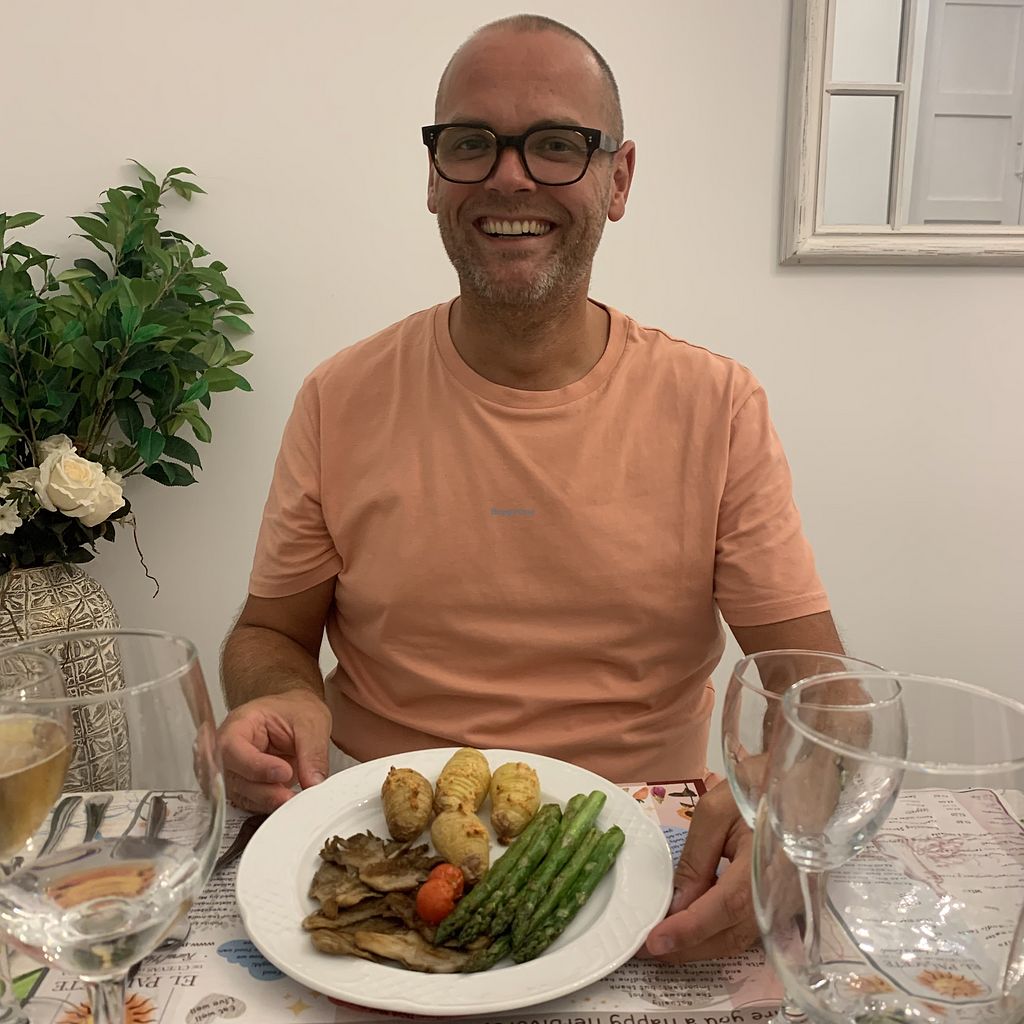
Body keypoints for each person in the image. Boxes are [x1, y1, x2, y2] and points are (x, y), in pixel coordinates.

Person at [217, 14, 844, 964]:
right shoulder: (338, 397)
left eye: (556, 144)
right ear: (435, 177)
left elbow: (821, 688)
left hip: (647, 837)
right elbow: (270, 634)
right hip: (373, 828)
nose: (509, 177)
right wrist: (282, 700)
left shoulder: (716, 405)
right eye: (472, 143)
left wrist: (798, 814)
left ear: (618, 179)